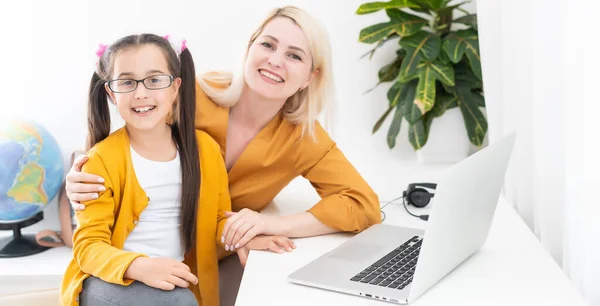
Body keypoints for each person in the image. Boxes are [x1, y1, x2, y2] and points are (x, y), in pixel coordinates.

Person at [65, 6, 382, 305]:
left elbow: (363, 204)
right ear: (249, 47)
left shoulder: (302, 138)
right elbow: (123, 133)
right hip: (123, 257)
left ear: (310, 77)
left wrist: (271, 225)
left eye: (294, 55)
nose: (275, 61)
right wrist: (78, 176)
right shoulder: (190, 95)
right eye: (268, 45)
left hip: (206, 256)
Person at [60, 33, 293, 306]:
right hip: (106, 280)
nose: (141, 93)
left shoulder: (204, 150)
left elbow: (216, 218)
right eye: (126, 82)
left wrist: (242, 237)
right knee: (179, 301)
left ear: (175, 87)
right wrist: (140, 266)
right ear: (111, 92)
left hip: (167, 282)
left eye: (155, 80)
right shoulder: (100, 160)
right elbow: (88, 248)